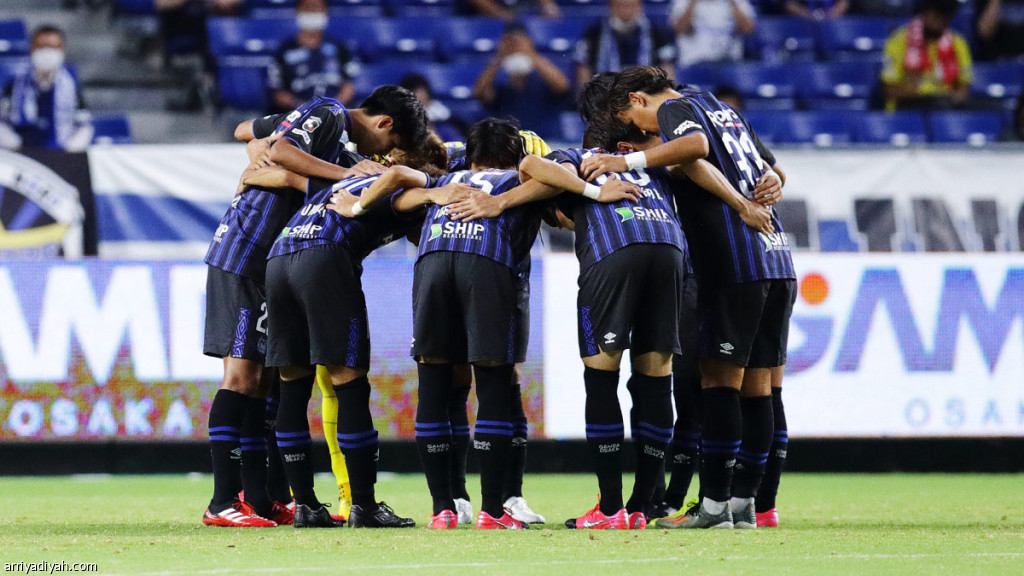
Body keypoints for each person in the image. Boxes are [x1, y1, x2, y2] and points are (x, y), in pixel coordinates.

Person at [201, 88, 421, 528]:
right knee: (242, 378)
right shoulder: (330, 112)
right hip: (246, 251)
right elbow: (282, 149)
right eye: (388, 146)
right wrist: (339, 174)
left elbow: (249, 132)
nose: (378, 158)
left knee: (265, 384)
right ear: (384, 124)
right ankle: (222, 500)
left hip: (268, 256)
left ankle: (259, 499)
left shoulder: (332, 143)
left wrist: (260, 149)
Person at [587, 65, 793, 530]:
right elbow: (771, 170)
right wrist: (774, 183)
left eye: (633, 121)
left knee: (719, 384)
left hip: (736, 258)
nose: (643, 132)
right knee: (759, 389)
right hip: (776, 256)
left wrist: (628, 162)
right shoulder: (723, 108)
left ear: (639, 100)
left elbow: (693, 150)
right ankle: (745, 505)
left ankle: (715, 506)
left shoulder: (676, 109)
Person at [255, 136, 456, 529]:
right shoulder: (409, 183)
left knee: (292, 386)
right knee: (349, 383)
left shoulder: (351, 177)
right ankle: (364, 505)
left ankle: (305, 506)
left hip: (279, 257)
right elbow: (405, 185)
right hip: (324, 258)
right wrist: (435, 193)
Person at [394, 119, 549, 530]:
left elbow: (399, 194)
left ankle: (442, 508)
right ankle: (494, 510)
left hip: (432, 263)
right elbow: (560, 185)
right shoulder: (519, 178)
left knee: (433, 382)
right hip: (487, 262)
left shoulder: (444, 180)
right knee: (495, 382)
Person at [0, 25, 93, 152]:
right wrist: (16, 145)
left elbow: (84, 125)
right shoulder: (15, 86)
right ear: (32, 49)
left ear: (62, 51)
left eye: (53, 47)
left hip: (62, 154)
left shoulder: (71, 88)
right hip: (22, 153)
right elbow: (2, 123)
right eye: (41, 47)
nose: (47, 52)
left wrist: (70, 150)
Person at [473, 22, 571, 140]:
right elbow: (479, 93)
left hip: (546, 141)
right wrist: (499, 57)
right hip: (511, 142)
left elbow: (563, 86)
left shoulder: (542, 82)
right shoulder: (500, 87)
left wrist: (530, 53)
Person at [266, 0, 358, 112]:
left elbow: (349, 87)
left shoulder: (339, 47)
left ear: (325, 11)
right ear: (298, 11)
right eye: (308, 8)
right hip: (296, 114)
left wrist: (331, 108)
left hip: (335, 113)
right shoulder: (283, 50)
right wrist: (305, 109)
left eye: (317, 8)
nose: (312, 12)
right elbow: (278, 93)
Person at [881, 0, 973, 111]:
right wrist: (925, 90)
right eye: (935, 16)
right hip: (907, 108)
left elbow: (963, 88)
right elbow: (890, 90)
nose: (938, 22)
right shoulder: (898, 40)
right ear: (923, 14)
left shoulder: (958, 43)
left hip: (944, 107)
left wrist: (954, 97)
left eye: (943, 18)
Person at [574, 0, 677, 88]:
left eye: (631, 6)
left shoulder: (657, 32)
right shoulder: (594, 32)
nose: (626, 12)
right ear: (611, 7)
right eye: (620, 6)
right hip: (606, 93)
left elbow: (667, 69)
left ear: (640, 6)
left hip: (646, 91)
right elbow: (583, 67)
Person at [668, 0, 756, 68]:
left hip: (729, 63)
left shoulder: (738, 1)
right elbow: (681, 29)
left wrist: (732, 3)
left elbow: (748, 29)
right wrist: (692, 3)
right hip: (693, 63)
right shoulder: (683, 1)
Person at [400, 73, 467, 143]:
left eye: (423, 91)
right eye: (416, 92)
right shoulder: (403, 123)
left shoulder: (444, 120)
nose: (422, 96)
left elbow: (459, 144)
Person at [466, 0, 561, 21]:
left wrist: (548, 6)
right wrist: (499, 13)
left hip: (522, 23)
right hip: (485, 22)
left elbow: (549, 8)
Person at [784, 0, 849, 20]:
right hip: (804, 23)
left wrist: (831, 14)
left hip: (832, 23)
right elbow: (790, 5)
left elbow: (844, 3)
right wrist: (807, 14)